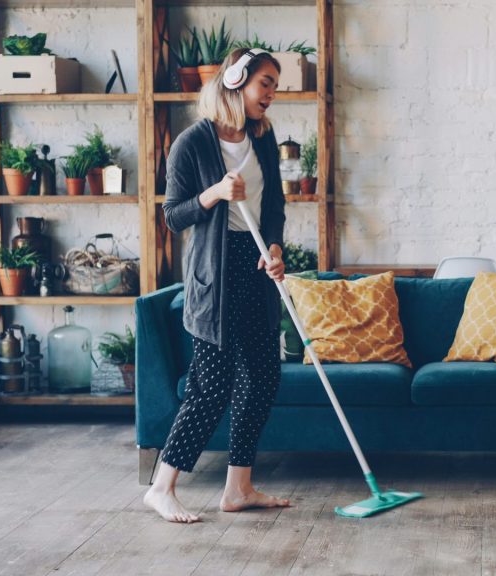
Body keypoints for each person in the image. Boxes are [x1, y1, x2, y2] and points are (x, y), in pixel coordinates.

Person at [144, 48, 291, 523]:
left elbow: (274, 210)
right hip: (215, 278)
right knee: (210, 387)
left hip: (255, 269)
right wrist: (215, 193)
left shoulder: (263, 140)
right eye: (265, 82)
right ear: (236, 80)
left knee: (262, 379)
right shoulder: (191, 143)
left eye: (274, 85)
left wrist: (274, 248)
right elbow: (172, 216)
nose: (271, 93)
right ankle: (162, 486)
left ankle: (238, 488)